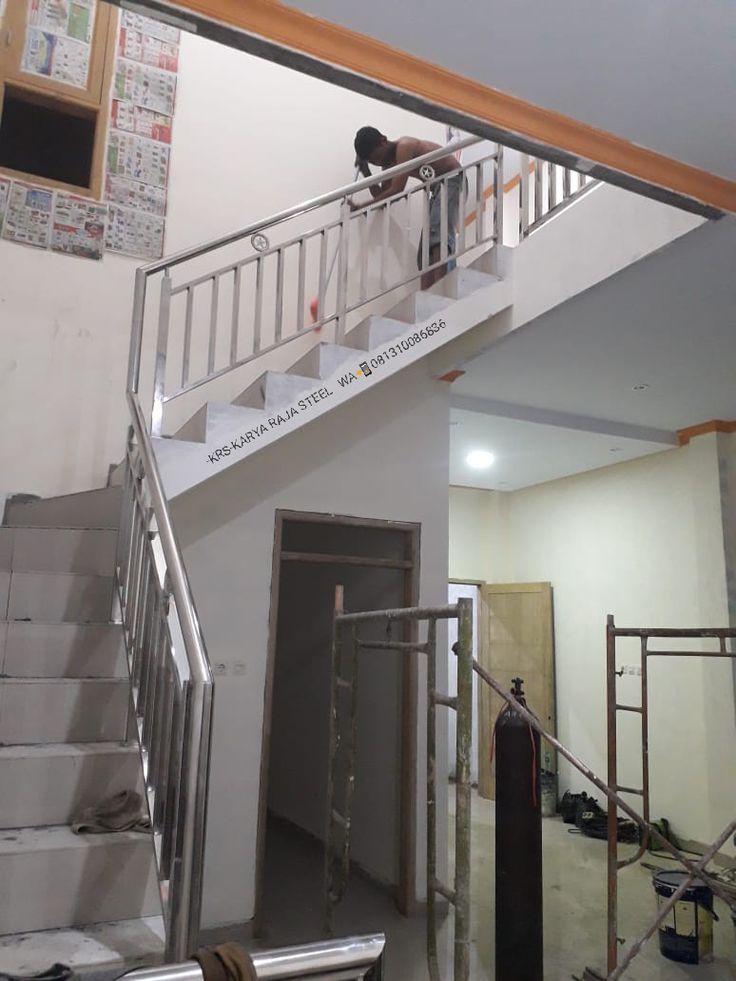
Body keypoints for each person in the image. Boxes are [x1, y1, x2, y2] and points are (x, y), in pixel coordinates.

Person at [352, 127, 463, 289]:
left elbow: (397, 189)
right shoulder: (390, 165)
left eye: (377, 158)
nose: (379, 163)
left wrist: (360, 207)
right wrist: (366, 171)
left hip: (452, 179)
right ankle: (427, 294)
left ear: (383, 140)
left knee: (438, 237)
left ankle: (442, 290)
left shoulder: (404, 146)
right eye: (373, 162)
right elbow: (383, 197)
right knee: (426, 249)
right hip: (438, 189)